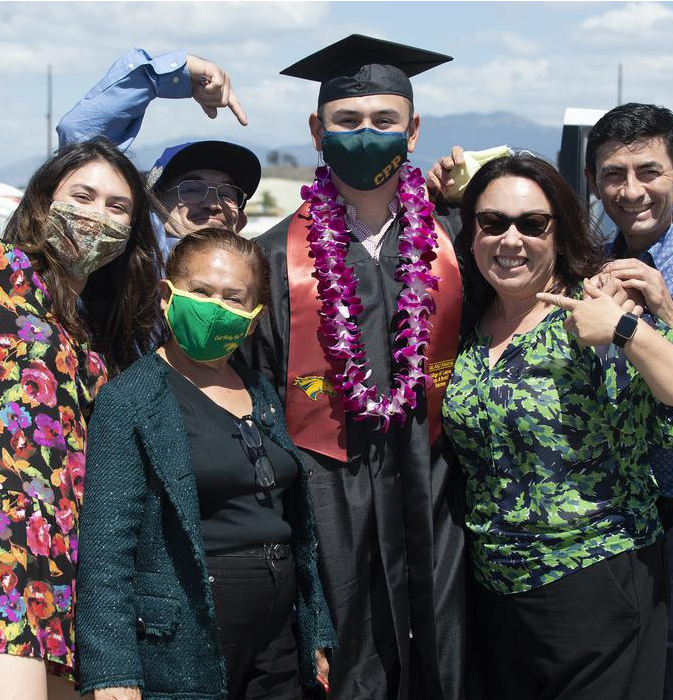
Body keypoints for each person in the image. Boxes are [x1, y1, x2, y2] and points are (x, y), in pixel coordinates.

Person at [244, 35, 470, 700]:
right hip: (325, 505)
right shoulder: (269, 260)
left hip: (437, 500)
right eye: (346, 122)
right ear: (317, 131)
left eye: (384, 121)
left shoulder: (458, 246)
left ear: (414, 130)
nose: (365, 134)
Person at [441, 152, 673, 700]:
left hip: (595, 581)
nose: (510, 240)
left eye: (532, 224)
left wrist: (628, 329)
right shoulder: (470, 320)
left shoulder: (595, 309)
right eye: (492, 223)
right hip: (496, 591)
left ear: (559, 229)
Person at [76, 229, 334, 700]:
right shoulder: (130, 399)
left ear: (253, 319)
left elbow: (292, 523)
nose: (216, 307)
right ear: (166, 295)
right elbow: (105, 547)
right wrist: (111, 670)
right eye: (201, 292)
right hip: (185, 631)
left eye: (234, 298)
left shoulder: (259, 390)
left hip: (276, 636)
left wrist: (313, 629)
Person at [0, 137, 163, 700]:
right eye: (83, 195)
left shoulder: (105, 334)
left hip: (68, 562)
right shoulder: (7, 274)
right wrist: (159, 71)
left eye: (118, 207)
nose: (97, 216)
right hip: (7, 549)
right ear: (44, 201)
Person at [585, 103, 673, 700]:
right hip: (617, 520)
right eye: (613, 174)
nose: (631, 191)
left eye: (648, 172)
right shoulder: (590, 267)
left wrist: (668, 319)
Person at [57, 48, 261, 254]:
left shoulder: (257, 276)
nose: (212, 204)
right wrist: (165, 77)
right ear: (154, 207)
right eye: (191, 189)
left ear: (241, 221)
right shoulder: (126, 267)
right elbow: (82, 139)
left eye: (226, 194)